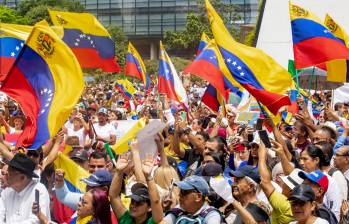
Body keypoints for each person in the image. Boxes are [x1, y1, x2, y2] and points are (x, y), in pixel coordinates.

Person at [0, 153, 51, 223]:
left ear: (23, 177)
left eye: (9, 174)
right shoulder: (6, 192)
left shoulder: (38, 190)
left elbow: (36, 220)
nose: (4, 177)